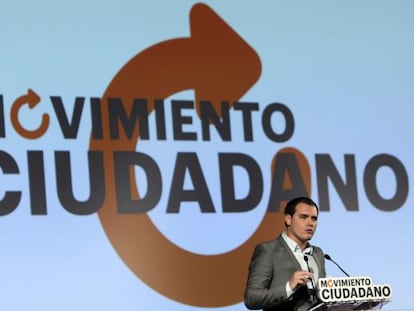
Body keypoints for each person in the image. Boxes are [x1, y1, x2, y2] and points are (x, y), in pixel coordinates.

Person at [244, 196, 326, 311]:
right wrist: (289, 287)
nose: (310, 223)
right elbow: (251, 298)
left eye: (314, 218)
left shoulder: (318, 253)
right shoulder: (268, 250)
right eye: (303, 217)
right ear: (288, 219)